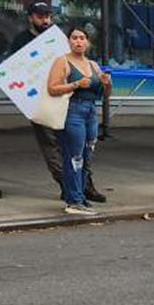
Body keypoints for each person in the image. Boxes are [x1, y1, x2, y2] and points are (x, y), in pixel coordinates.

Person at [9, 1, 108, 203]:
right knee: (51, 143)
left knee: (78, 147)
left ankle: (84, 185)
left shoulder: (60, 39)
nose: (45, 20)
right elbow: (16, 71)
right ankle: (67, 185)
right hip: (42, 99)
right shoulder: (22, 40)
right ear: (31, 17)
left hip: (71, 100)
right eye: (40, 16)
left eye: (48, 16)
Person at [46, 27, 111, 215]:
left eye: (82, 38)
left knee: (87, 155)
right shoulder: (62, 61)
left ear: (88, 42)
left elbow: (105, 94)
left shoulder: (93, 65)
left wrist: (107, 83)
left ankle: (80, 195)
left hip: (91, 110)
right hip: (73, 110)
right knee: (74, 156)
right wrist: (75, 84)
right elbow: (52, 88)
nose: (78, 41)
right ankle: (73, 199)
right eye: (74, 38)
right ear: (69, 41)